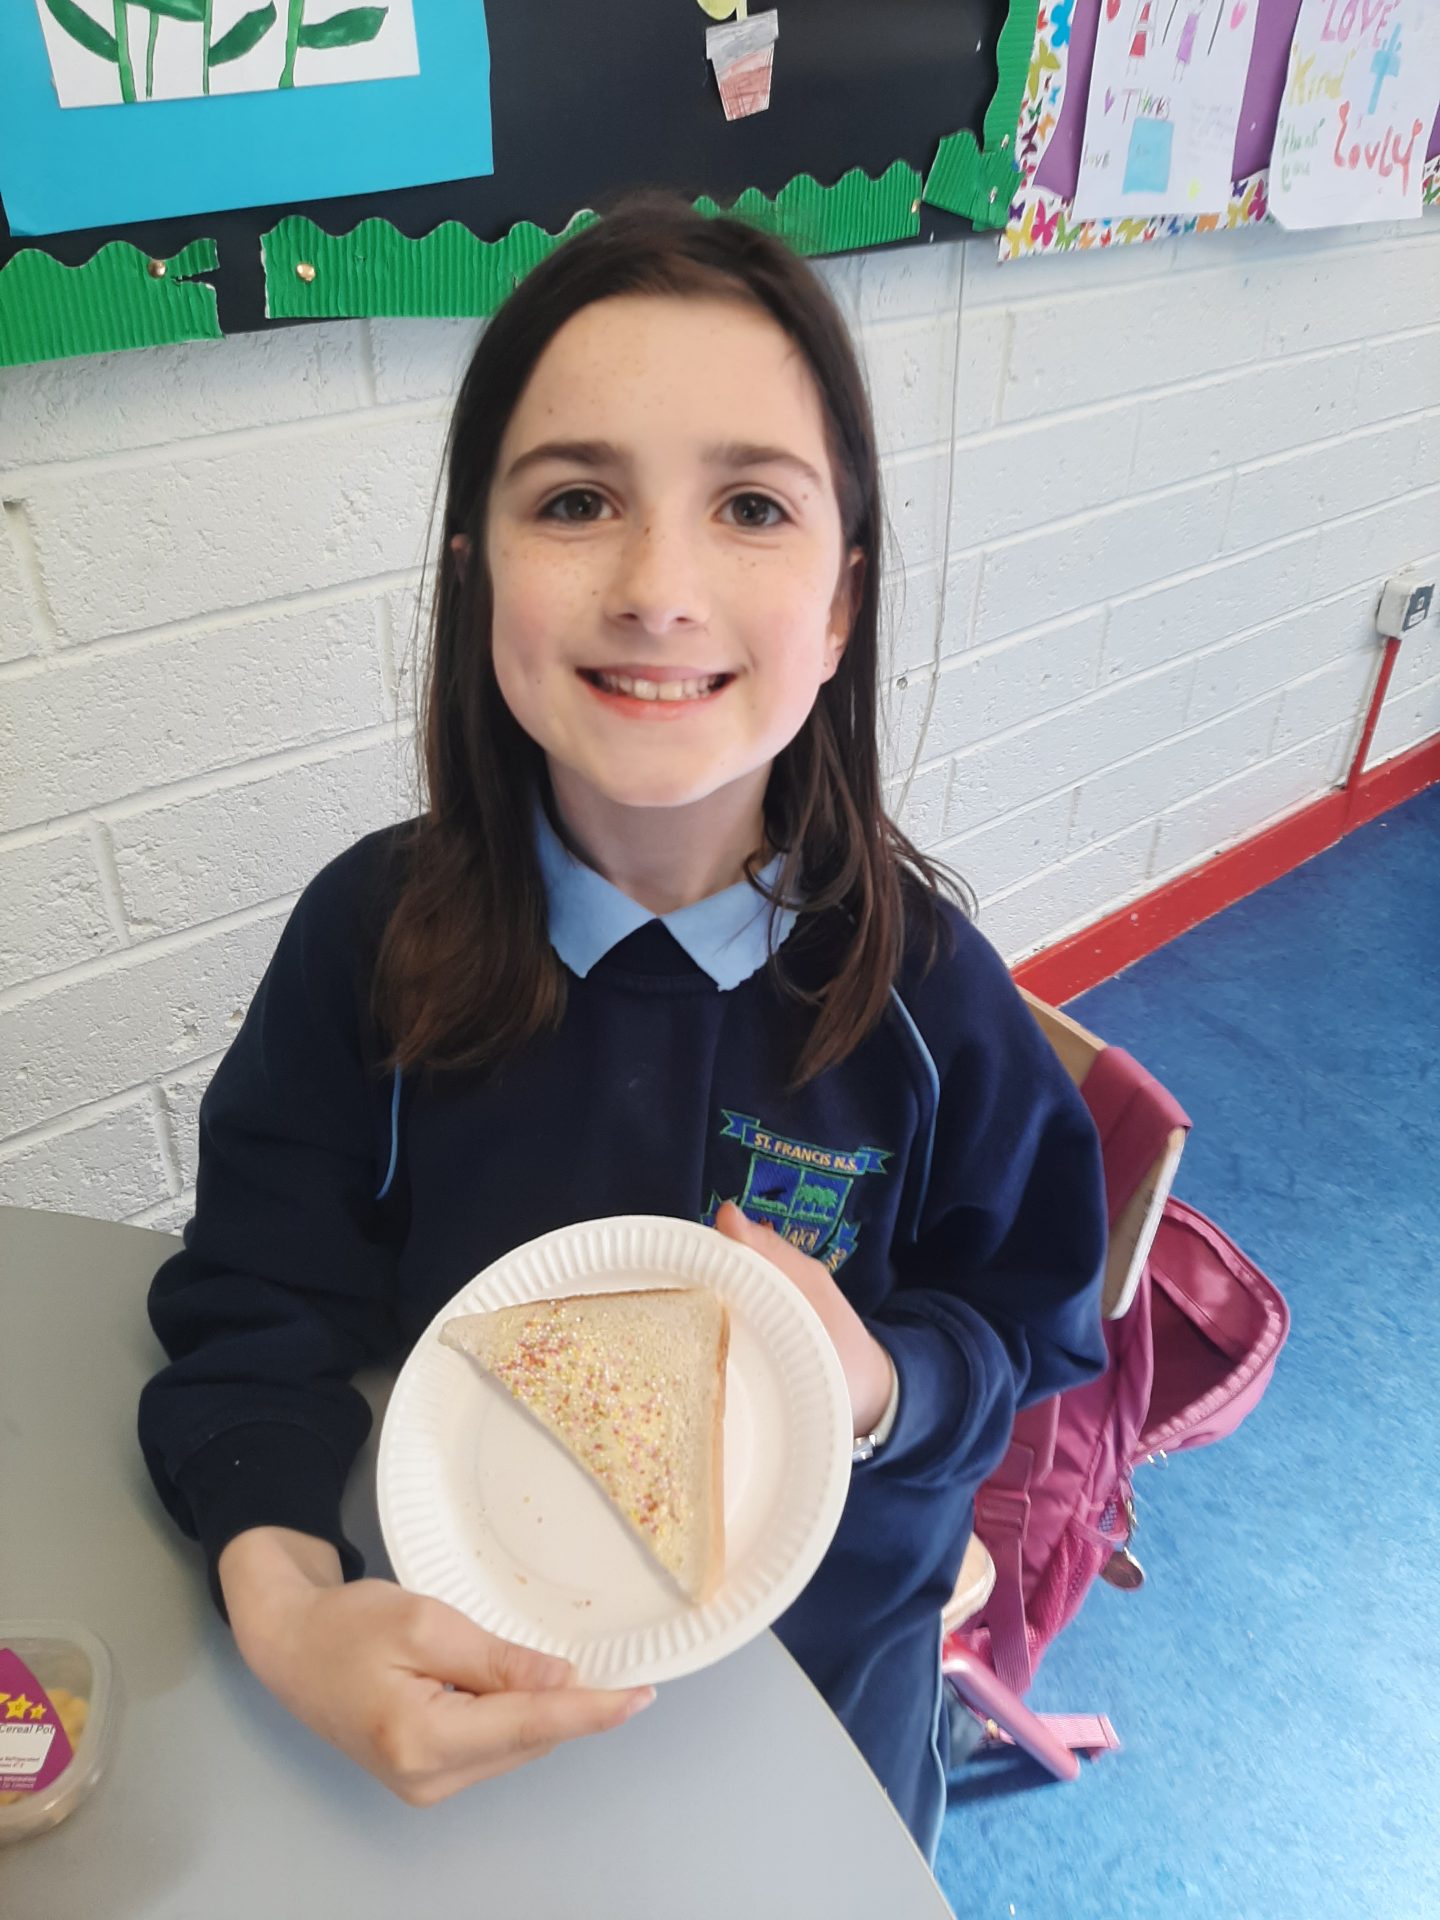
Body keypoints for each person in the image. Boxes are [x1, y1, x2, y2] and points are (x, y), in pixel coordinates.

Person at [138, 194, 1108, 1862]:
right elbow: (254, 1308)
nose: (659, 589)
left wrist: (884, 1382)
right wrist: (286, 1603)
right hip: (462, 1674)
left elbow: (1030, 1322)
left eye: (751, 505)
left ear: (843, 603)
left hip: (820, 1716)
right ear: (477, 573)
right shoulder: (375, 941)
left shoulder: (931, 998)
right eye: (578, 500)